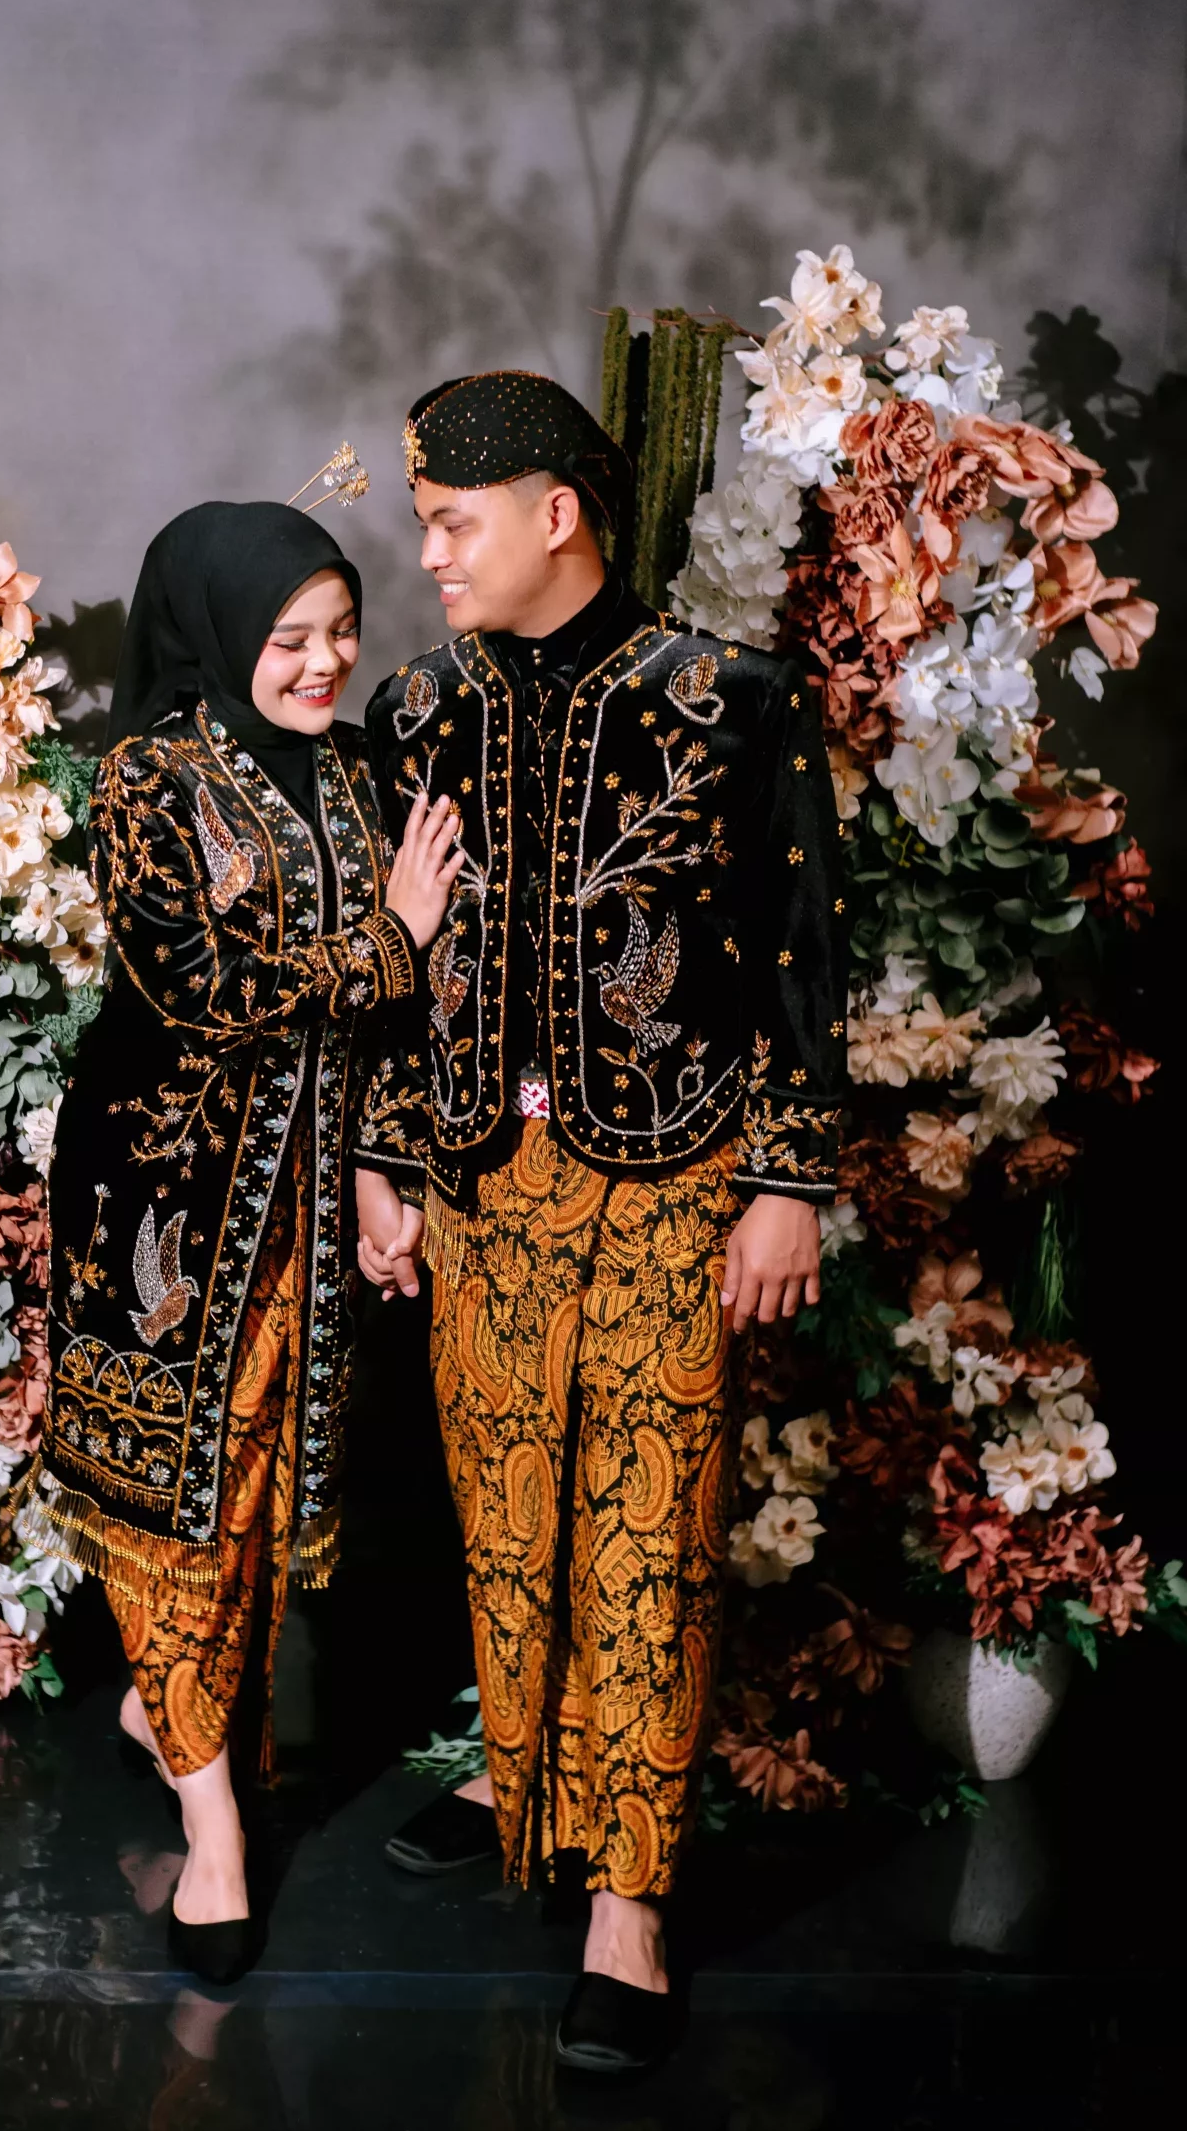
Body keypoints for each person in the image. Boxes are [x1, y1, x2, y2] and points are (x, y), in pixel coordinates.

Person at [356, 371, 848, 2073]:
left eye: (452, 522)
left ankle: (626, 1907)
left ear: (553, 513)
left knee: (646, 1529)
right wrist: (378, 1164)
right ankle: (525, 1782)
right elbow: (395, 966)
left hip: (672, 1181)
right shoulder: (413, 711)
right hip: (474, 1186)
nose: (429, 554)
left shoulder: (731, 702)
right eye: (423, 522)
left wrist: (785, 1182)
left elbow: (802, 955)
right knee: (506, 1519)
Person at [21, 499, 463, 1985]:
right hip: (161, 1208)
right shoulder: (146, 781)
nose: (326, 663)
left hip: (305, 1215)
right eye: (289, 638)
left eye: (342, 632)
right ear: (216, 636)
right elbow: (202, 988)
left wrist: (382, 1175)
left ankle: (171, 1714)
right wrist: (391, 937)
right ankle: (215, 1833)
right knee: (177, 1507)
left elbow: (391, 1024)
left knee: (259, 1489)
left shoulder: (356, 775)